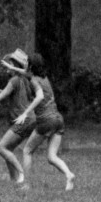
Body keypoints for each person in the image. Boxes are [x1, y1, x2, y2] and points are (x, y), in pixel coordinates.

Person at [0, 48, 45, 190]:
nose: (6, 69)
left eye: (8, 65)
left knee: (1, 147)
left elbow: (0, 98)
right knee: (8, 149)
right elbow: (7, 93)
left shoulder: (14, 79)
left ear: (15, 65)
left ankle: (21, 174)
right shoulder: (24, 79)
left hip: (22, 120)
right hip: (31, 119)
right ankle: (13, 180)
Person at [13, 53, 76, 191]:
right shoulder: (44, 78)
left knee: (27, 151)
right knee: (51, 157)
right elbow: (25, 73)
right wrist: (9, 66)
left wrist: (25, 113)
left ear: (31, 66)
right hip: (58, 120)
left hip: (46, 120)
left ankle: (27, 185)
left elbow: (39, 96)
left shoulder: (34, 81)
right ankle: (69, 174)